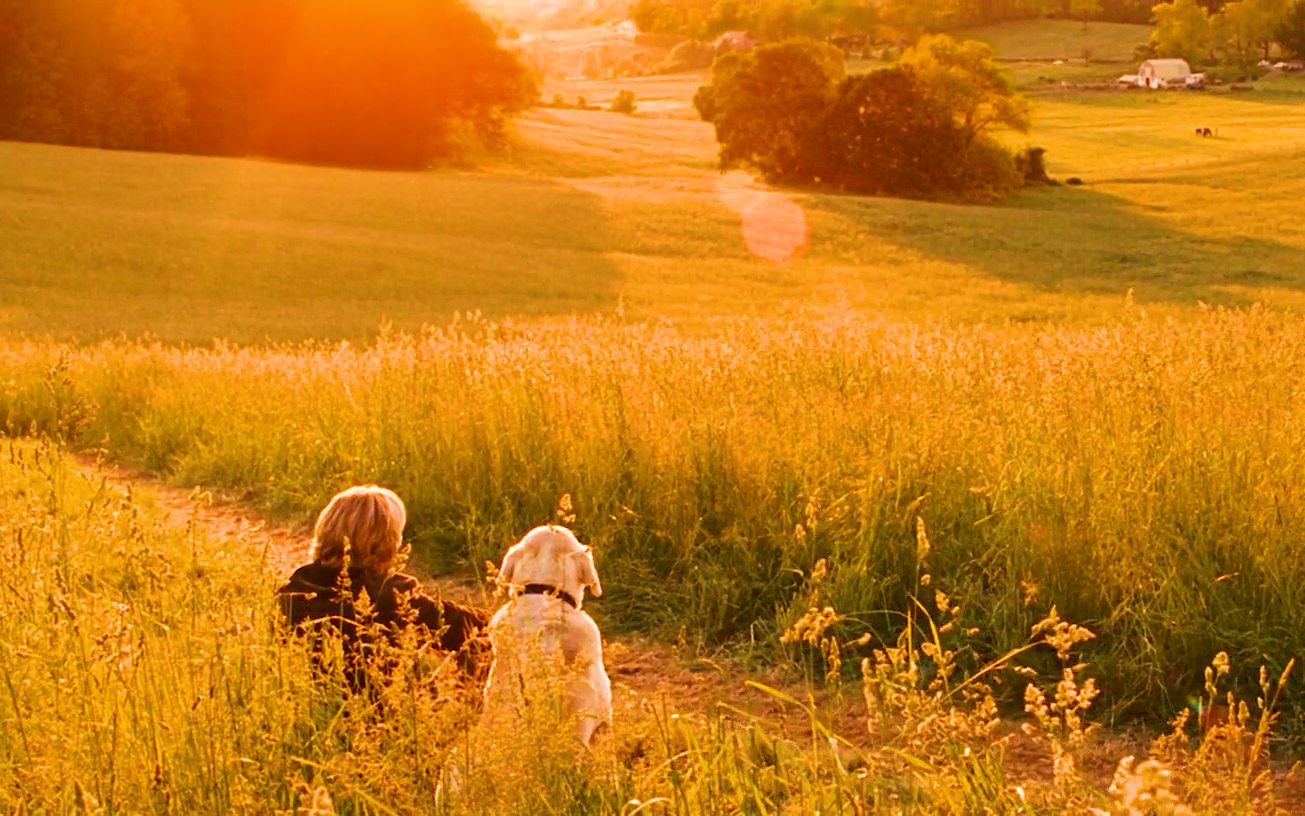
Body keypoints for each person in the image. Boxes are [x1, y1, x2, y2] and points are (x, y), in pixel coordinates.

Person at [276, 485, 490, 692]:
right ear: (388, 541)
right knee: (481, 643)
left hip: (308, 711)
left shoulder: (292, 590)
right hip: (382, 717)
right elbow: (472, 625)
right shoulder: (391, 595)